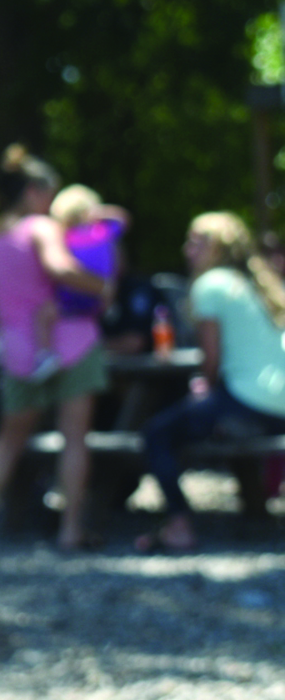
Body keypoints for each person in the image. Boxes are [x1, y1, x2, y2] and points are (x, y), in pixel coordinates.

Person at [0, 147, 111, 549]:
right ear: (32, 191)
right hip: (71, 343)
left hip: (16, 350)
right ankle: (70, 530)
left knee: (7, 439)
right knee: (74, 437)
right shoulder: (40, 228)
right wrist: (101, 286)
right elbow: (59, 268)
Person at [136, 213, 285, 552]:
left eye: (196, 241)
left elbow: (211, 358)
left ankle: (179, 524)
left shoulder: (211, 285)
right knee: (213, 418)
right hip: (278, 401)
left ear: (217, 247)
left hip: (251, 399)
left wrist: (204, 383)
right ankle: (256, 510)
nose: (187, 249)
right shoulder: (256, 283)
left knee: (156, 433)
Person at [29, 184, 129, 379]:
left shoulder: (63, 236)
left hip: (70, 297)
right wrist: (99, 212)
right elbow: (123, 218)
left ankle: (45, 354)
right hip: (100, 297)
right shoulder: (103, 231)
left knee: (43, 315)